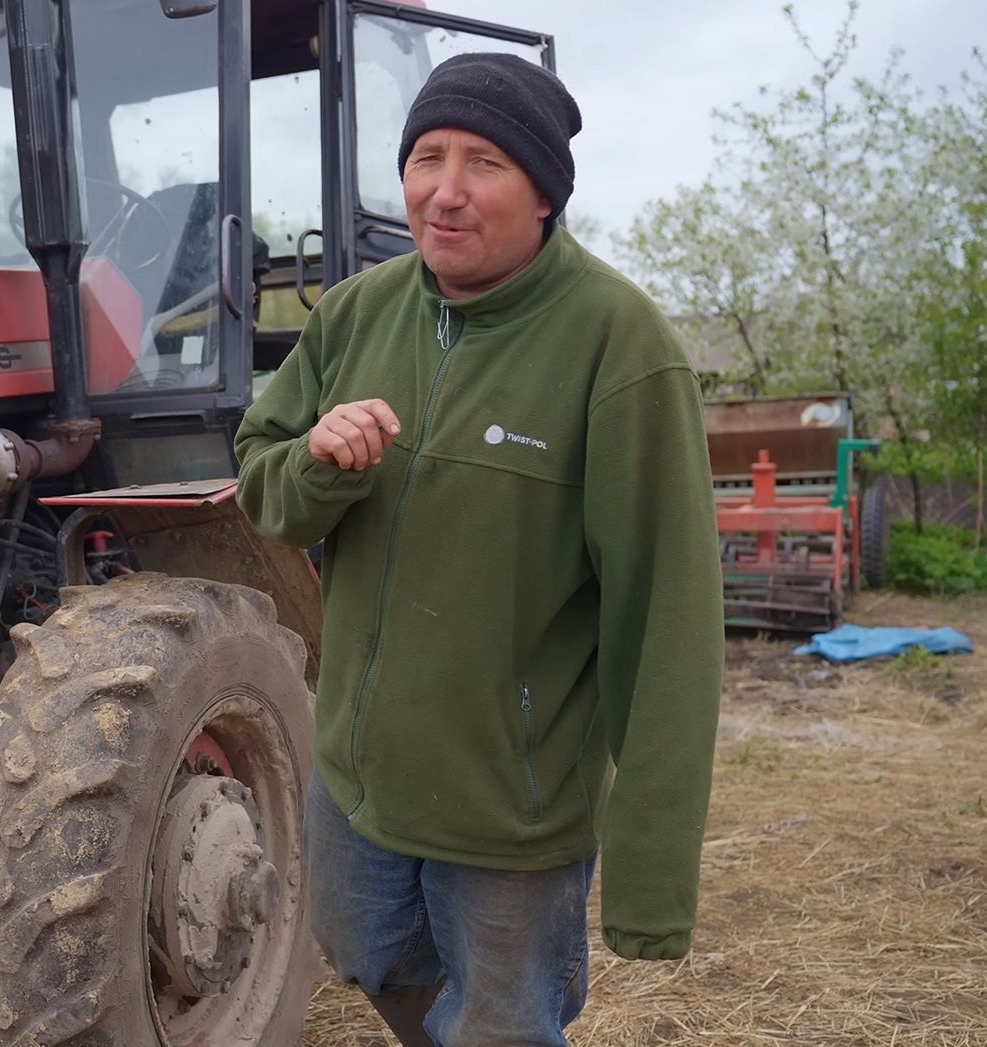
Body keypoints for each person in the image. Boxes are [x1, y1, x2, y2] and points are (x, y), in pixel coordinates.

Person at [234, 52, 724, 1046]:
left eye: (483, 163)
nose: (443, 193)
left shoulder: (617, 348)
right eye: (425, 157)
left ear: (543, 193)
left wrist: (649, 877)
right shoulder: (354, 314)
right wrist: (319, 466)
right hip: (357, 776)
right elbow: (264, 490)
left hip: (512, 813)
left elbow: (664, 625)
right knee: (361, 952)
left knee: (502, 1024)